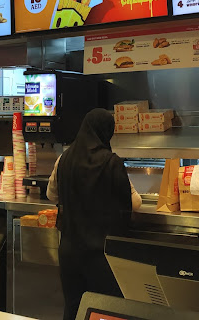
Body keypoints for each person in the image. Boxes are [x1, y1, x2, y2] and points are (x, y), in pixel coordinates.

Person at [47, 108, 142, 320]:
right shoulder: (111, 162)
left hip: (70, 252)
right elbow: (135, 203)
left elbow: (51, 195)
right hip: (101, 255)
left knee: (74, 308)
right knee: (104, 310)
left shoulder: (64, 159)